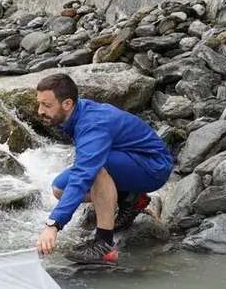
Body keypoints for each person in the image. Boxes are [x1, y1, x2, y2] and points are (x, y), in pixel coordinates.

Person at [34, 73, 174, 264]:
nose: (40, 111)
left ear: (67, 104)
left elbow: (84, 174)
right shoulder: (76, 112)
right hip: (130, 159)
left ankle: (104, 245)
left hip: (153, 167)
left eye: (46, 105)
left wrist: (53, 225)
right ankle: (130, 198)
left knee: (96, 168)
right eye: (39, 103)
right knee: (59, 188)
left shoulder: (93, 124)